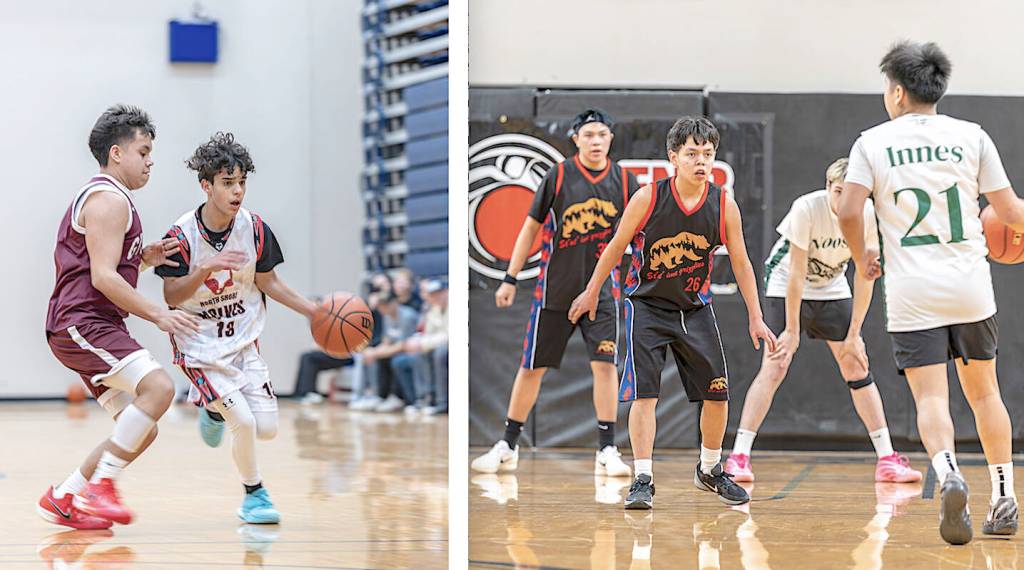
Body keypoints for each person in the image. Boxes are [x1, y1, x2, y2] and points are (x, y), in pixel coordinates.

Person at [838, 40, 1024, 544]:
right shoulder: (972, 136)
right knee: (985, 392)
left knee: (931, 397)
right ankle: (1004, 495)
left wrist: (862, 255)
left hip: (912, 289)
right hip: (970, 284)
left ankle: (949, 473)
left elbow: (849, 210)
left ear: (897, 91)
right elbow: (1010, 215)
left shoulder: (871, 143)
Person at [569, 116, 777, 509]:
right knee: (644, 395)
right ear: (674, 158)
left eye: (708, 154)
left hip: (695, 308)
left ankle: (710, 470)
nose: (702, 162)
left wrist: (756, 315)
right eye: (692, 154)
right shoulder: (648, 198)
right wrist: (592, 291)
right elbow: (615, 248)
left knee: (717, 394)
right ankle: (642, 477)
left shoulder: (722, 204)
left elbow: (742, 262)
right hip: (646, 305)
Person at [40, 105, 200, 529]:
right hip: (83, 321)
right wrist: (159, 314)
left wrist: (142, 260)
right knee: (161, 388)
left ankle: (65, 495)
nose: (151, 161)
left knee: (142, 430)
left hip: (87, 323)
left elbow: (103, 267)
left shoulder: (108, 198)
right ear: (116, 153)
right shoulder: (110, 200)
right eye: (143, 151)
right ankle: (102, 486)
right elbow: (103, 278)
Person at [724, 158, 922, 484]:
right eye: (838, 191)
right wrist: (791, 330)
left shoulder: (868, 216)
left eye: (851, 193)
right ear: (828, 187)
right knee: (776, 364)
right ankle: (739, 457)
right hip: (786, 282)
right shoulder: (807, 208)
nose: (843, 199)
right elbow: (796, 272)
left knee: (856, 364)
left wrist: (854, 333)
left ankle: (887, 458)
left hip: (831, 286)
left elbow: (865, 275)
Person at [156, 132, 318, 524]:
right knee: (242, 422)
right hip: (199, 346)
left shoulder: (255, 229)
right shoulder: (181, 236)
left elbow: (269, 282)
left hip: (242, 342)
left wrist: (313, 311)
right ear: (206, 185)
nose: (238, 190)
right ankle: (254, 495)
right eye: (228, 182)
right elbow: (172, 296)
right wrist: (207, 268)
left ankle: (211, 409)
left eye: (242, 181)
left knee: (266, 428)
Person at [472, 108, 639, 478]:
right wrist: (510, 278)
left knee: (605, 367)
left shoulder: (627, 183)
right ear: (576, 139)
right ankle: (508, 444)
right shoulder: (559, 175)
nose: (596, 141)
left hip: (602, 294)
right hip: (555, 294)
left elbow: (641, 235)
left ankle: (608, 448)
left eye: (602, 134)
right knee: (531, 368)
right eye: (589, 135)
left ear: (610, 139)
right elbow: (529, 229)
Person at [361, 292, 420, 412]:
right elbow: (386, 340)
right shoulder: (387, 316)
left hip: (412, 349)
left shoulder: (407, 316)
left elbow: (404, 345)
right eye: (380, 305)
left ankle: (398, 397)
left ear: (394, 303)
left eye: (384, 305)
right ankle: (381, 396)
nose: (381, 308)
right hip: (397, 349)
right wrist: (373, 351)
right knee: (376, 357)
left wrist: (377, 353)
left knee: (394, 360)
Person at [405, 278, 449, 414]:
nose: (436, 297)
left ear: (446, 292)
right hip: (436, 345)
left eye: (439, 293)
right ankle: (425, 398)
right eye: (433, 294)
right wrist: (418, 343)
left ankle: (442, 402)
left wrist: (422, 343)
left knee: (439, 353)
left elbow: (449, 335)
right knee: (418, 354)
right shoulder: (433, 310)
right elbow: (428, 334)